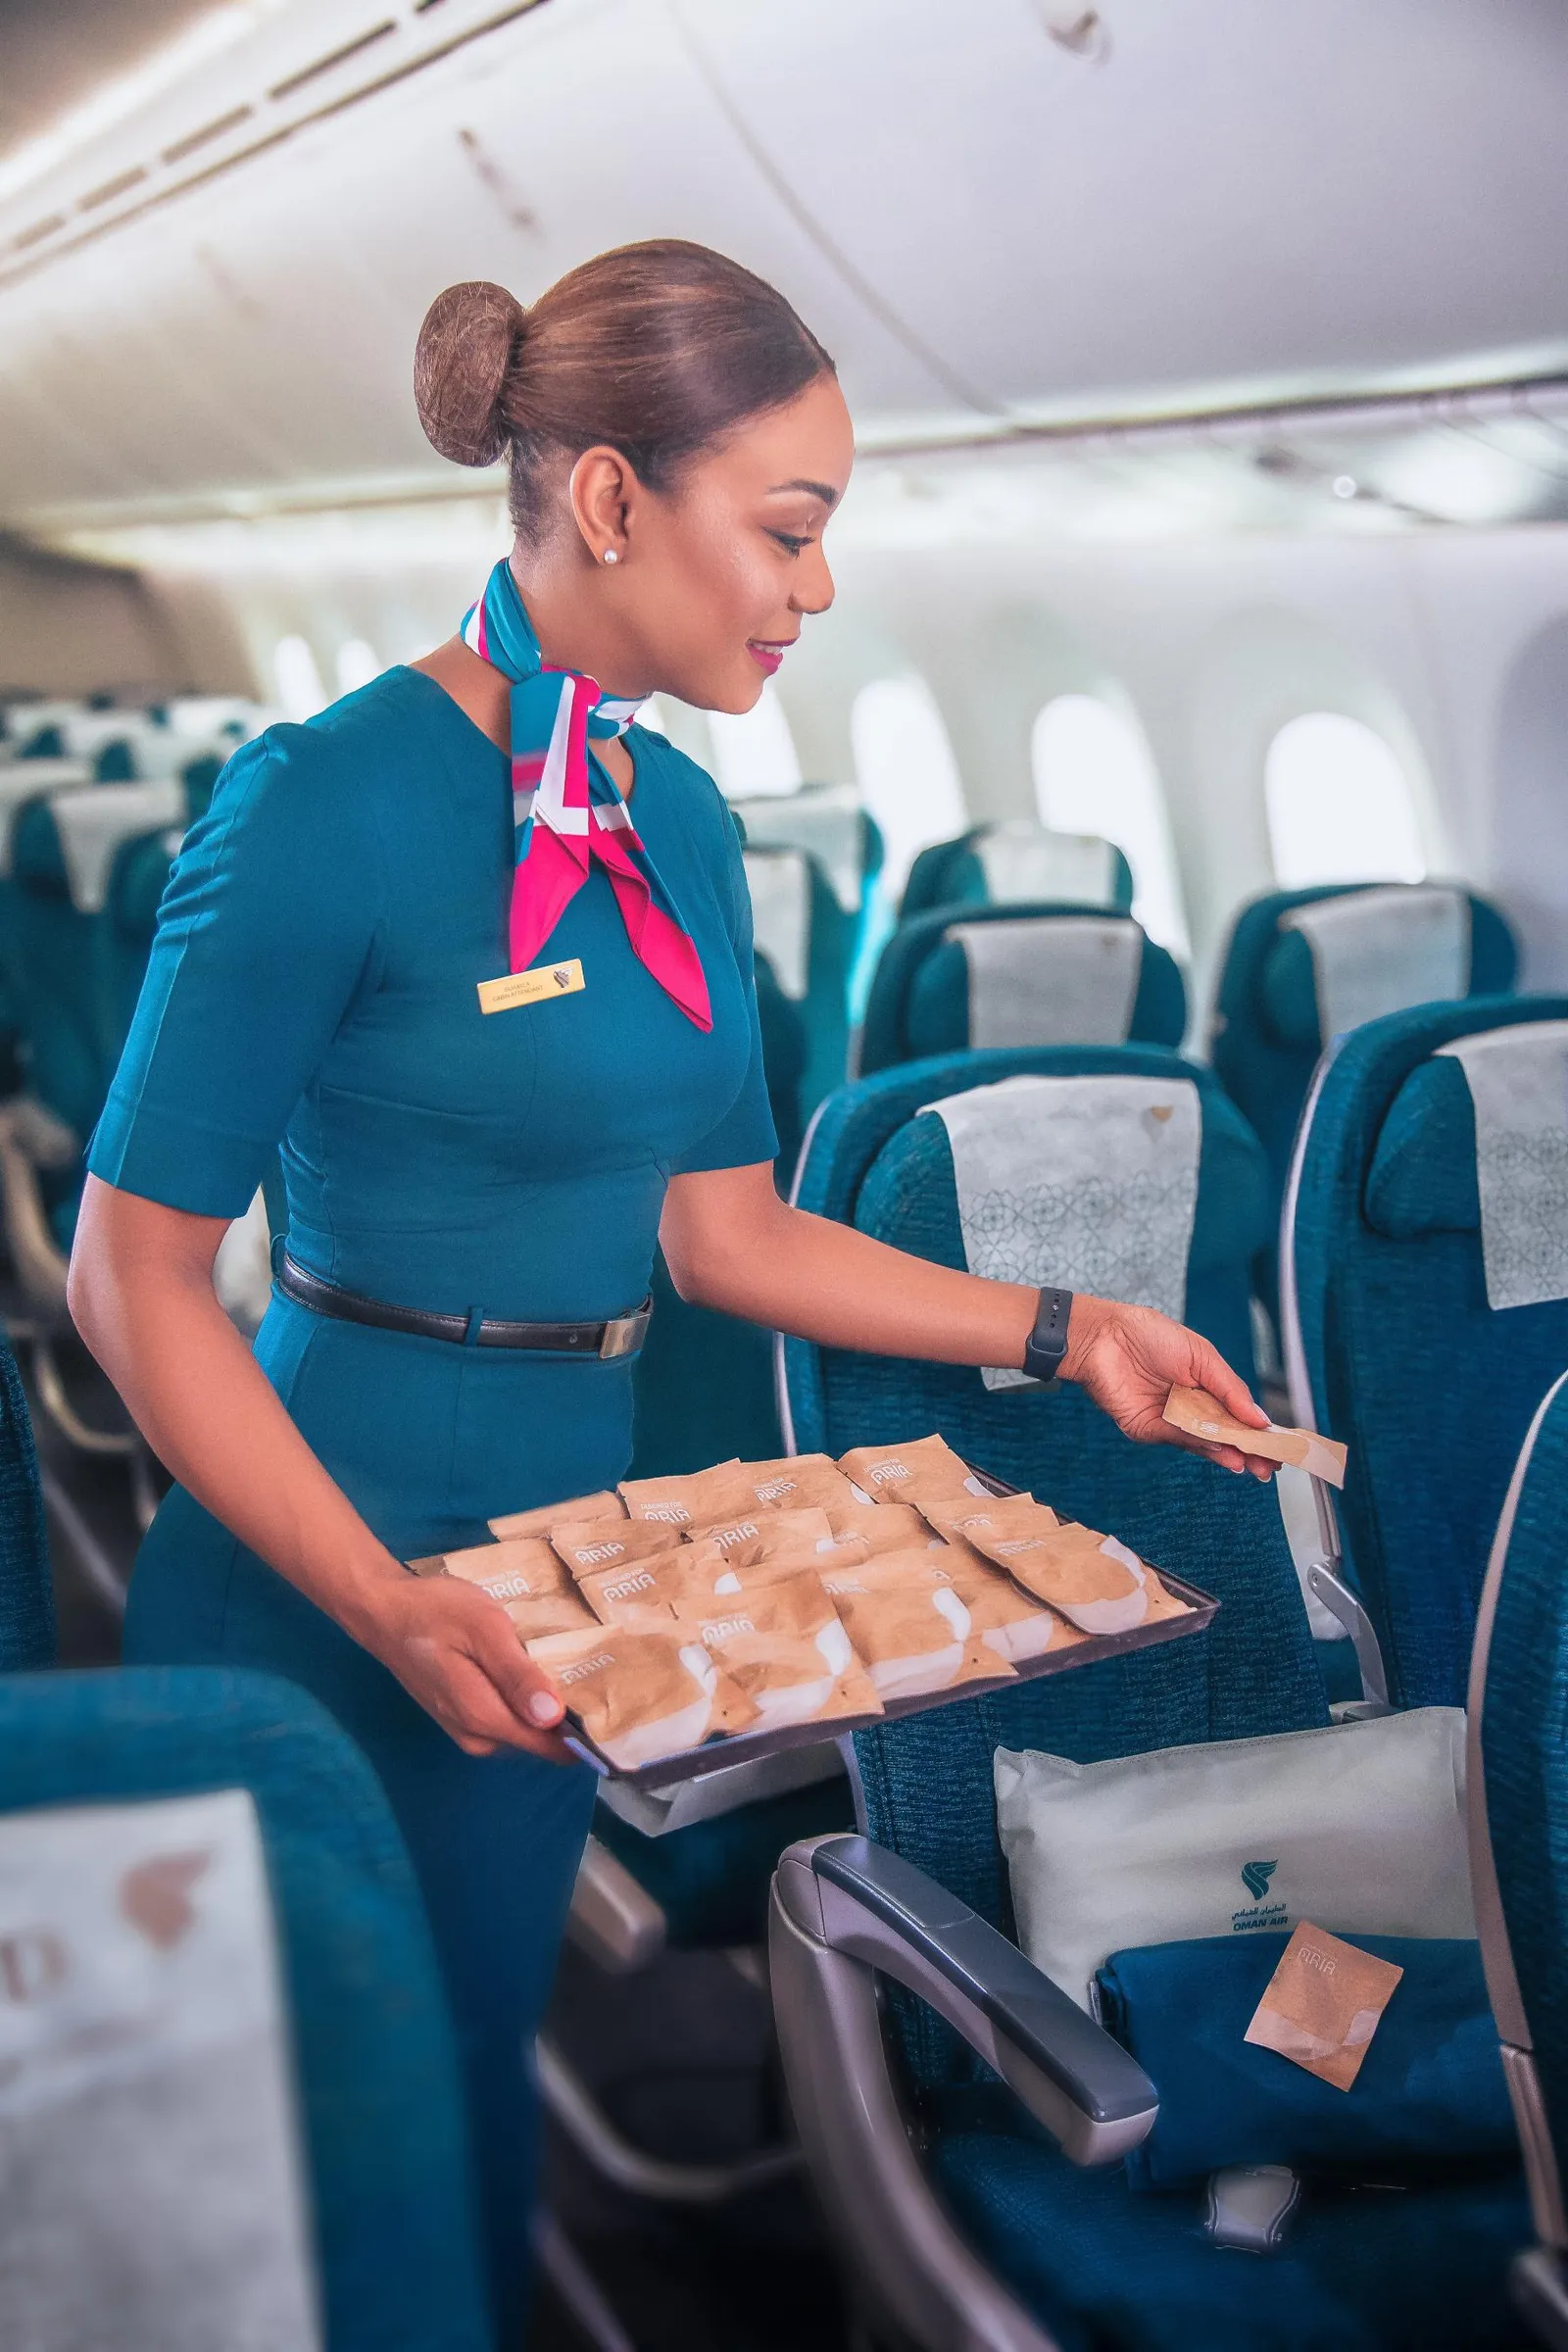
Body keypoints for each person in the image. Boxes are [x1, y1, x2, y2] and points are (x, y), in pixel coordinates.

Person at [68, 240, 1273, 2339]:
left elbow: (728, 1238)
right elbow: (131, 1276)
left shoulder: (681, 826)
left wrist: (1076, 1339)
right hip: (324, 1563)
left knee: (460, 2111)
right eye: (784, 532)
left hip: (556, 1580)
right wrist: (374, 1594)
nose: (811, 595)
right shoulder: (318, 808)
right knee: (328, 2190)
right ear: (613, 501)